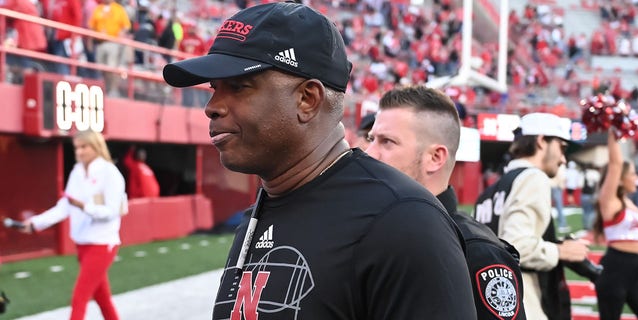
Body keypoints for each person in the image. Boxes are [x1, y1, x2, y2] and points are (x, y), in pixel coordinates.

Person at [162, 2, 476, 319]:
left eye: (238, 87)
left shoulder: (402, 221)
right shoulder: (260, 213)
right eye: (215, 88)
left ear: (308, 99)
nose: (212, 106)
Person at [366, 85, 526, 320]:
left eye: (387, 142)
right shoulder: (370, 231)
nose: (369, 153)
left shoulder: (477, 253)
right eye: (371, 139)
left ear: (435, 158)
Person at [474, 113, 590, 320]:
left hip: (490, 302)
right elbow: (516, 245)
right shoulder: (533, 177)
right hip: (524, 303)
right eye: (562, 148)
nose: (564, 159)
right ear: (541, 141)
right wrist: (560, 250)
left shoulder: (489, 192)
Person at [19, 130, 125, 320]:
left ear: (96, 146)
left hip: (102, 243)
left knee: (79, 298)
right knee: (102, 298)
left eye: (84, 147)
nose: (80, 152)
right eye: (77, 147)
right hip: (82, 244)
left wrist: (84, 207)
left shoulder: (110, 173)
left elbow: (112, 212)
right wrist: (36, 223)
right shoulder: (77, 172)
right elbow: (64, 207)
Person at [593, 130, 638, 320]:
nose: (636, 178)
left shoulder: (629, 203)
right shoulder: (610, 201)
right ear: (620, 179)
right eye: (632, 174)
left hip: (636, 270)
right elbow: (615, 164)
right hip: (616, 269)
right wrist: (613, 131)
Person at [550, 164, 570, 233]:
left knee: (547, 206)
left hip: (549, 185)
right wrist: (561, 186)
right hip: (556, 185)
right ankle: (562, 225)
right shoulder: (560, 164)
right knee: (559, 206)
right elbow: (561, 176)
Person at [580, 163, 600, 232]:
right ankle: (591, 226)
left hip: (585, 194)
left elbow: (580, 185)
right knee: (592, 211)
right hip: (593, 194)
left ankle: (586, 226)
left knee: (585, 211)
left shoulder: (584, 173)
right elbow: (598, 185)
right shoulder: (596, 173)